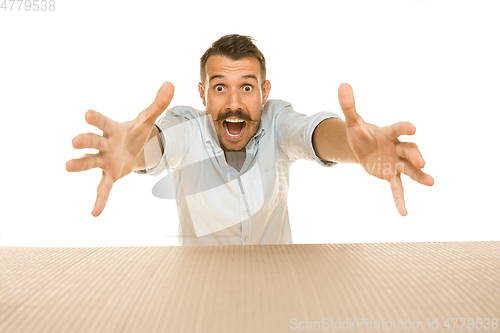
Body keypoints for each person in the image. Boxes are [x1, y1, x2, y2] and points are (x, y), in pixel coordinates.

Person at [66, 34, 434, 246]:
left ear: (263, 91)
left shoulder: (276, 120)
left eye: (246, 87)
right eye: (220, 88)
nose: (234, 104)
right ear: (203, 94)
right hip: (198, 297)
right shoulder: (187, 125)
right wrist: (134, 152)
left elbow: (311, 134)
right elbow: (160, 145)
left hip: (277, 296)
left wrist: (353, 147)